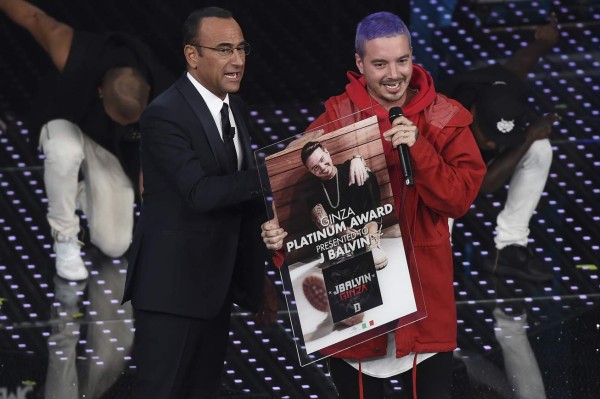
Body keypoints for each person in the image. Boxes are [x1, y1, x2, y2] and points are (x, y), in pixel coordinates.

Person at [262, 11, 485, 399]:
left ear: (412, 55)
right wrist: (278, 238)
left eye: (402, 60)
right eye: (380, 63)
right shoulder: (333, 123)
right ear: (359, 63)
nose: (393, 74)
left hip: (425, 300)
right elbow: (298, 216)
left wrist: (418, 148)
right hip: (357, 299)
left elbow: (459, 198)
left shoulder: (445, 117)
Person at [121, 7, 277, 399]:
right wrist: (274, 171)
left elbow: (244, 204)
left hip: (216, 290)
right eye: (224, 49)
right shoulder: (163, 115)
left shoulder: (234, 108)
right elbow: (201, 192)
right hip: (172, 293)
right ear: (193, 55)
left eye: (241, 48)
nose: (237, 60)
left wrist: (259, 281)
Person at [0, 0, 173, 281]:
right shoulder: (70, 50)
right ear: (100, 91)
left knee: (115, 245)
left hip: (112, 148)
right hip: (66, 121)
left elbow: (152, 175)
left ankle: (80, 193)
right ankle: (65, 237)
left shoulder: (167, 101)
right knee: (63, 151)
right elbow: (32, 16)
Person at [438, 14, 561, 282]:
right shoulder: (444, 118)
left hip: (473, 163)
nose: (493, 144)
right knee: (445, 197)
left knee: (540, 149)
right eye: (489, 135)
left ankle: (510, 247)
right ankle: (430, 261)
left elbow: (520, 64)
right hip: (437, 175)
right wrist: (527, 136)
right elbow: (484, 185)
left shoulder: (504, 88)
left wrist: (543, 43)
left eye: (499, 138)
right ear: (472, 114)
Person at [300, 141, 386, 269]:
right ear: (310, 171)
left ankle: (372, 242)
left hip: (363, 228)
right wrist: (340, 231)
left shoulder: (348, 168)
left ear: (327, 152)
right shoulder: (312, 189)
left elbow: (360, 167)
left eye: (322, 159)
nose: (322, 167)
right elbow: (321, 221)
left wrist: (358, 159)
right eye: (315, 167)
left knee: (366, 174)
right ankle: (341, 255)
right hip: (338, 238)